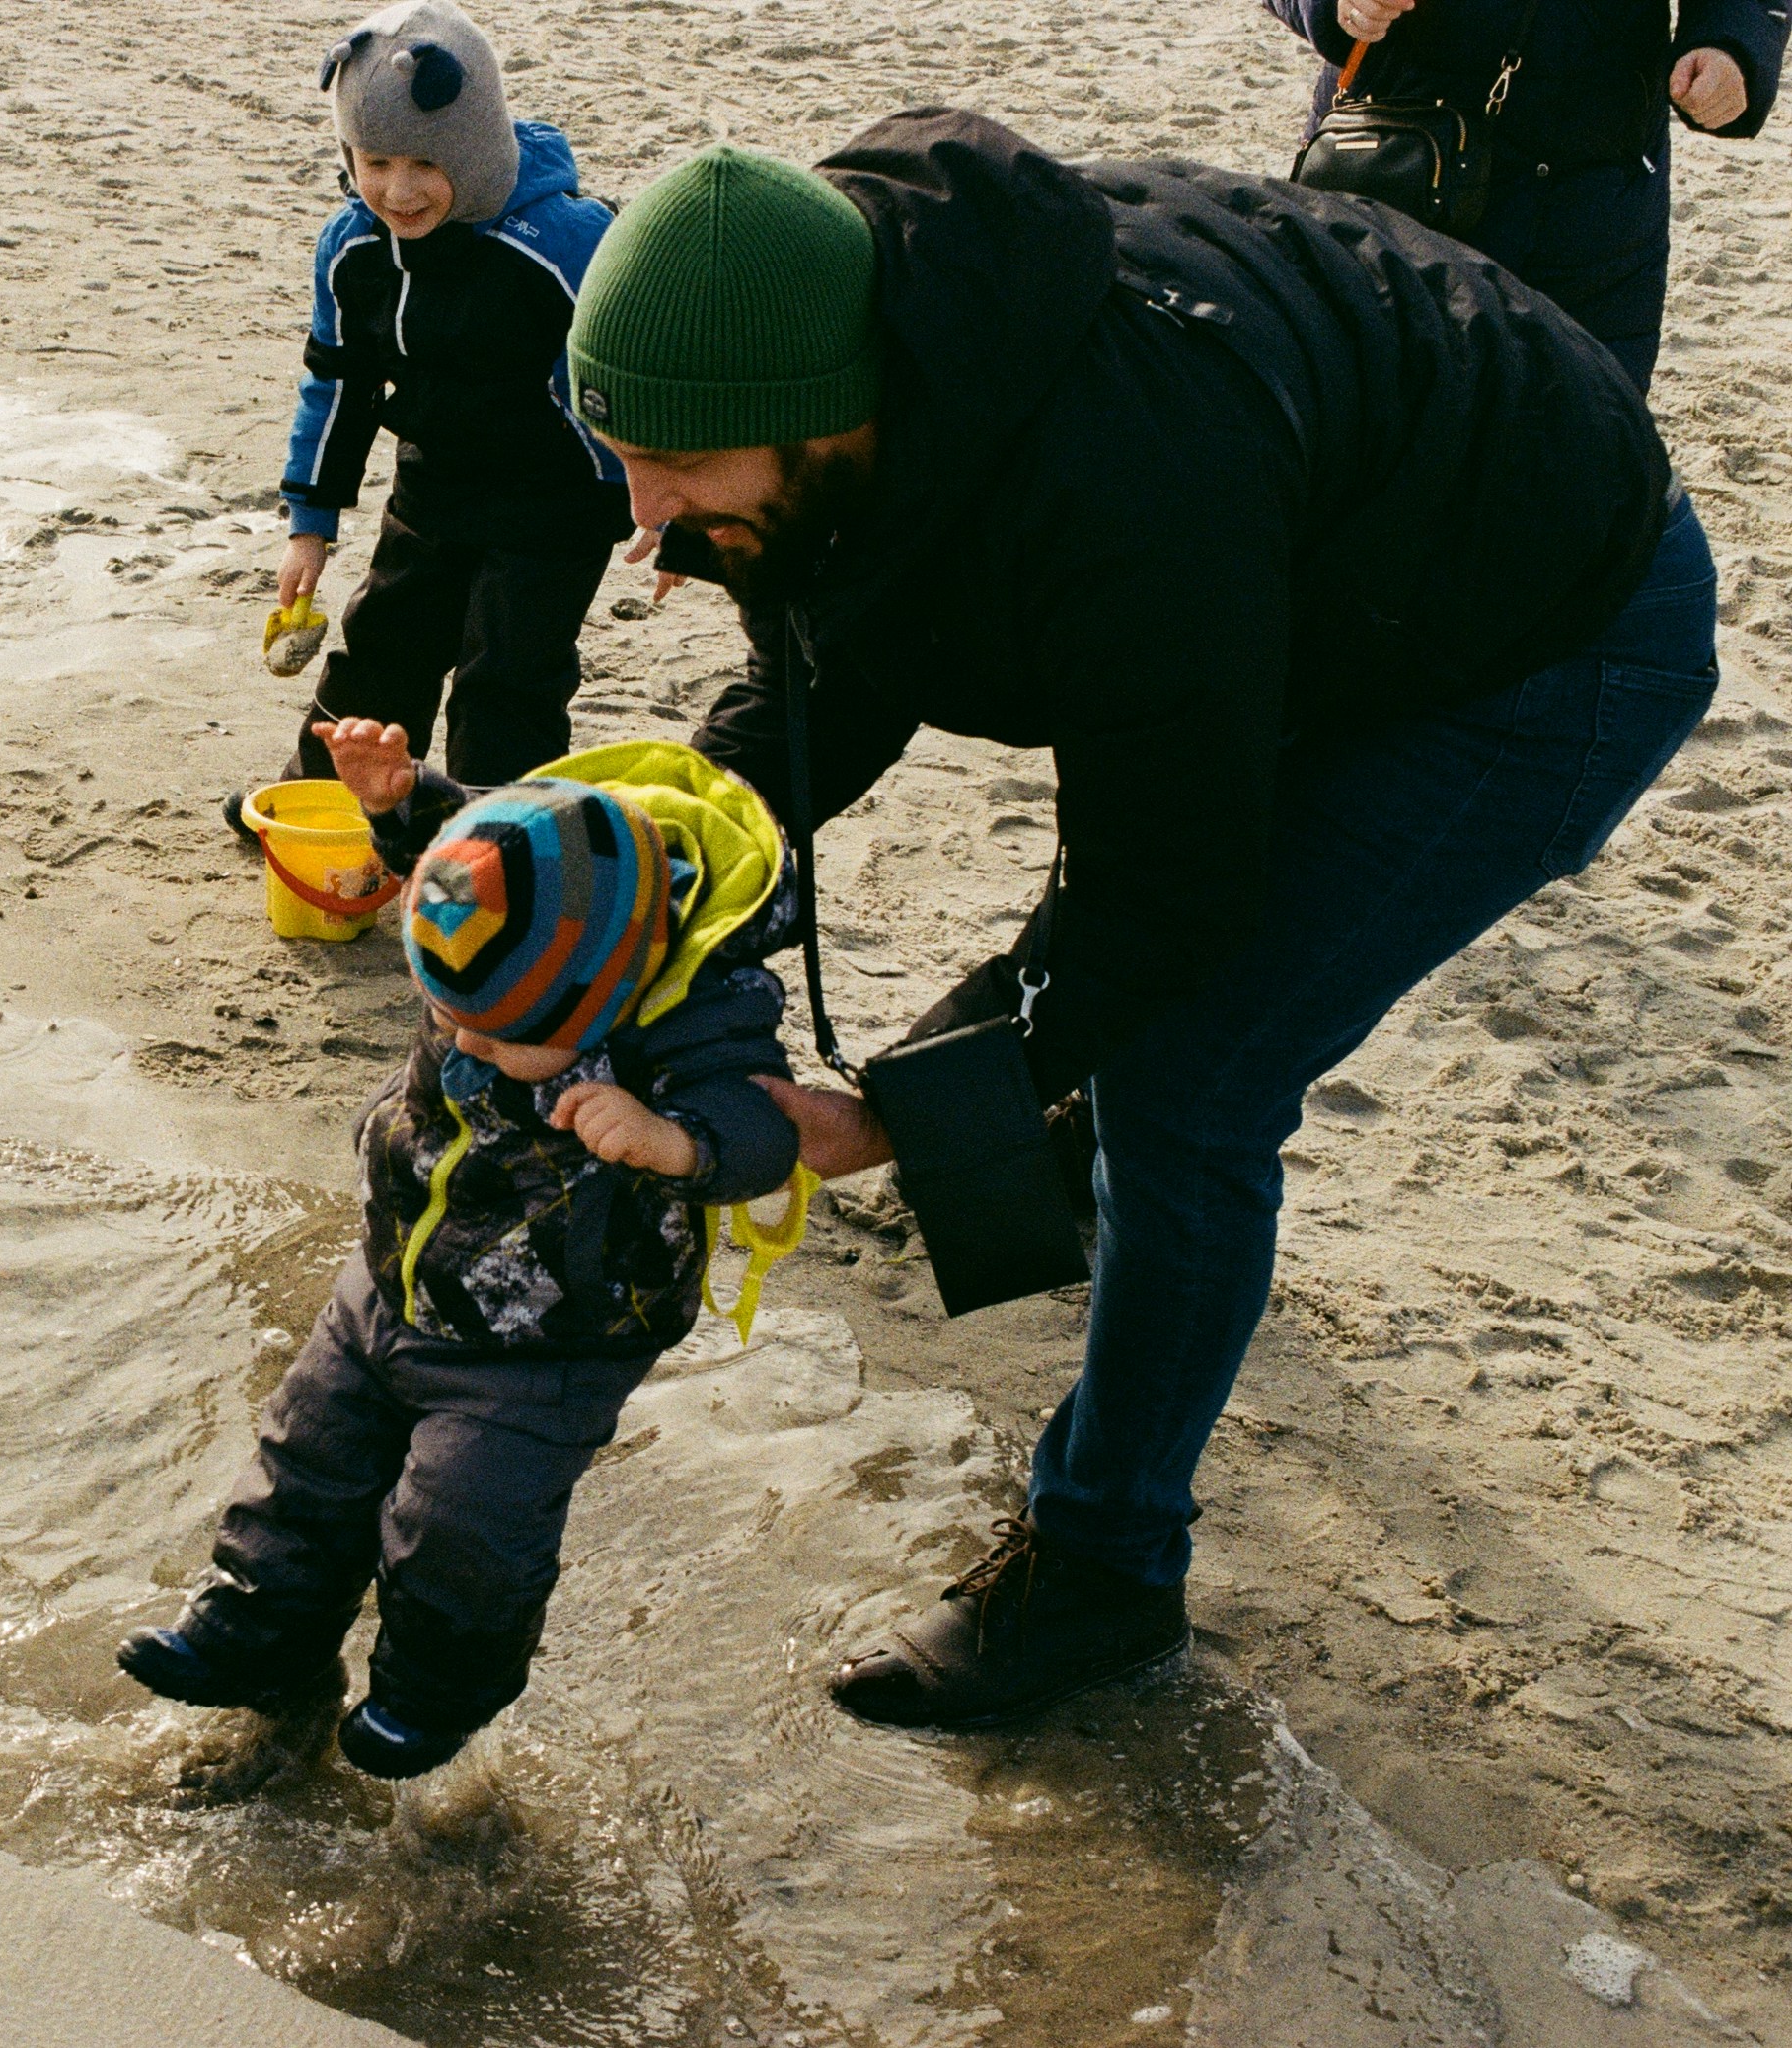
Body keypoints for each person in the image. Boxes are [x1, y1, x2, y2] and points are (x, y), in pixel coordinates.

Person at [564, 115, 1714, 1727]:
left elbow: (1165, 895)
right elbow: (829, 665)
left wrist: (880, 1117)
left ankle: (1103, 1580)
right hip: (1342, 569)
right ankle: (1052, 1203)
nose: (645, 519)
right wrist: (631, 876)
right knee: (1106, 1048)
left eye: (680, 472)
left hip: (1549, 639)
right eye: (624, 457)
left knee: (1195, 1078)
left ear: (832, 422)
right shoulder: (817, 352)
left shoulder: (1124, 476)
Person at [128, 717, 814, 1779]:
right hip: (396, 1270)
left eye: (498, 1036)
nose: (466, 1044)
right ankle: (262, 1637)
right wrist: (396, 801)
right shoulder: (519, 899)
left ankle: (428, 1694)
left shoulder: (688, 1014)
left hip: (552, 1335)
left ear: (611, 998)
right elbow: (464, 849)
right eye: (445, 1020)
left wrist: (677, 1142)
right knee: (305, 1461)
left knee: (461, 1524)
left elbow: (768, 1125)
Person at [223, 0, 630, 844]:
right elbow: (338, 385)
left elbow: (627, 375)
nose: (396, 191)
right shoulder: (354, 246)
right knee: (384, 644)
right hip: (434, 481)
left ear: (475, 150)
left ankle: (500, 844)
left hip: (555, 502)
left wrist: (652, 495)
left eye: (424, 163)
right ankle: (328, 799)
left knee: (505, 677)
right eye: (373, 161)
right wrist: (311, 523)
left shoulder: (561, 242)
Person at [1264, 0, 1784, 389]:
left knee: (1575, 480)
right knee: (1371, 470)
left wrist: (1731, 45)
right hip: (1398, 173)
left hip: (1593, 207)